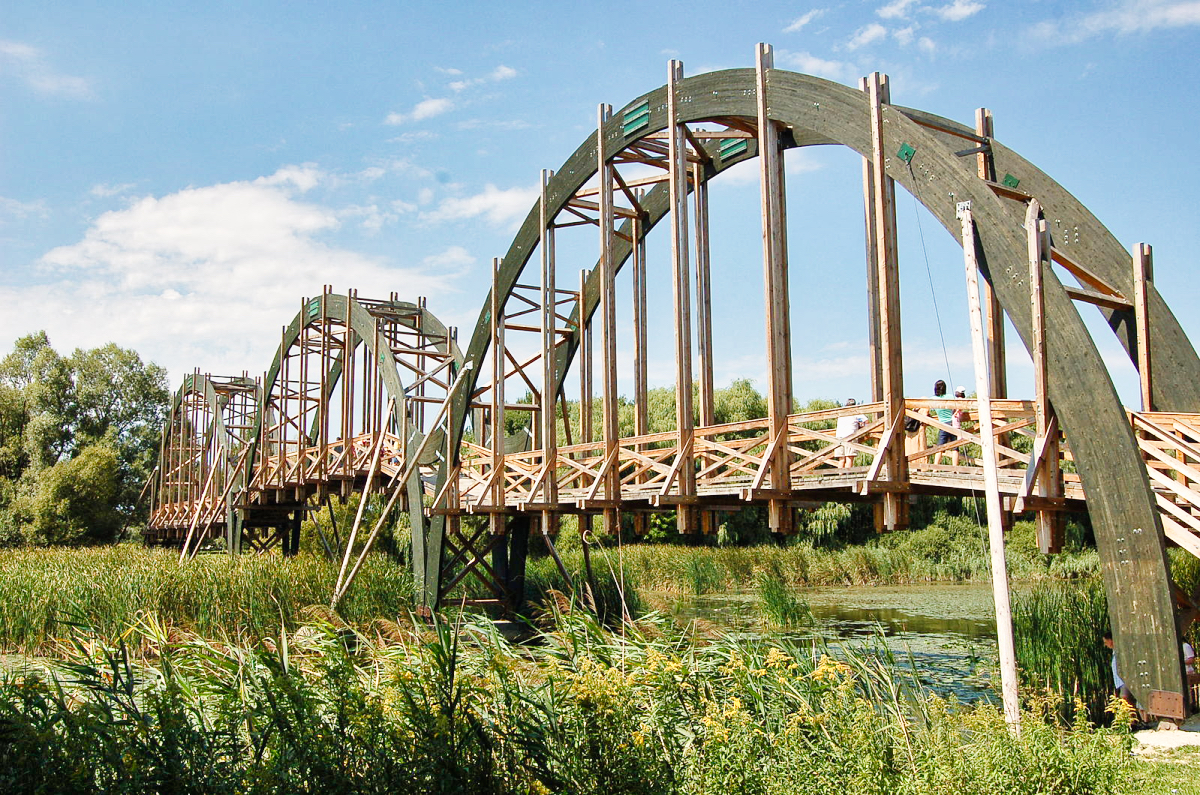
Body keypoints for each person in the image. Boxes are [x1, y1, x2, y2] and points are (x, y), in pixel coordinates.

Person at [835, 398, 867, 469]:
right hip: (850, 436)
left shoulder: (841, 413)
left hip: (839, 437)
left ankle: (840, 476)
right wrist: (862, 426)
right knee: (849, 457)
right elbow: (866, 421)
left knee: (841, 459)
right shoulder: (855, 412)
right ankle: (847, 475)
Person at [951, 386, 970, 466]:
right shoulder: (962, 400)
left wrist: (955, 413)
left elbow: (959, 407)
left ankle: (955, 465)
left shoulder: (959, 400)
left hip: (956, 418)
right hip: (957, 418)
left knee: (956, 438)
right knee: (957, 436)